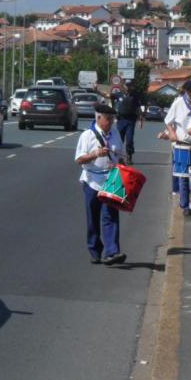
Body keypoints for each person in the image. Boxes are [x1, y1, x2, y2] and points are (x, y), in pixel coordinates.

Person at [74, 104, 128, 265]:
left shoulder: (115, 133)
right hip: (92, 180)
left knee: (110, 216)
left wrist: (121, 166)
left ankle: (112, 252)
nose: (110, 122)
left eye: (112, 119)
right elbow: (79, 159)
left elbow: (121, 154)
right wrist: (95, 154)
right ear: (98, 118)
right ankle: (95, 250)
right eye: (108, 119)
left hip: (111, 180)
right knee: (93, 217)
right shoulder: (87, 135)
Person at [163, 80, 191, 214]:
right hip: (182, 143)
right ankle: (184, 205)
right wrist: (172, 133)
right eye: (190, 93)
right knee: (183, 176)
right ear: (186, 92)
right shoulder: (179, 102)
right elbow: (168, 120)